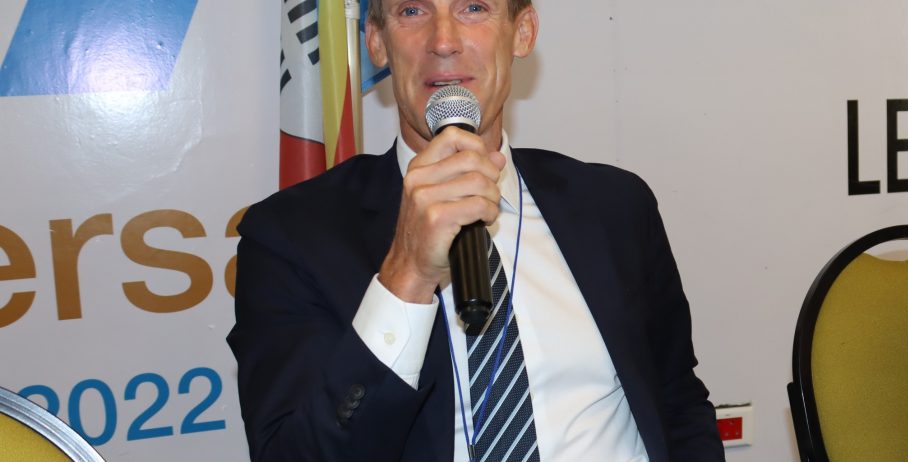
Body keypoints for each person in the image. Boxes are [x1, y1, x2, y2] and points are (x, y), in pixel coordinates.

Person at [227, 0, 725, 460]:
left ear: (522, 32)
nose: (443, 40)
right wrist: (407, 275)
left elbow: (678, 399)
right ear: (377, 42)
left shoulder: (615, 206)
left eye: (473, 7)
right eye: (412, 10)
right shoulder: (290, 236)